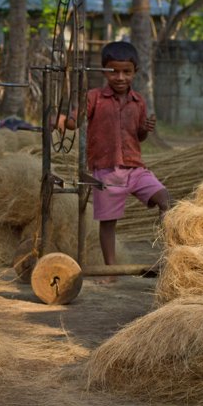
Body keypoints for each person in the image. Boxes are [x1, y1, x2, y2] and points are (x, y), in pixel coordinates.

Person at [64, 41, 170, 269]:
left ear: (135, 72)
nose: (120, 77)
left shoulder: (138, 101)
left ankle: (170, 256)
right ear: (103, 70)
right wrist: (62, 121)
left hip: (135, 168)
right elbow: (75, 121)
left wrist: (145, 129)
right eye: (114, 71)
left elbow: (138, 136)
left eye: (126, 72)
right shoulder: (94, 97)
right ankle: (111, 269)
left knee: (165, 200)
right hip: (106, 170)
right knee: (108, 223)